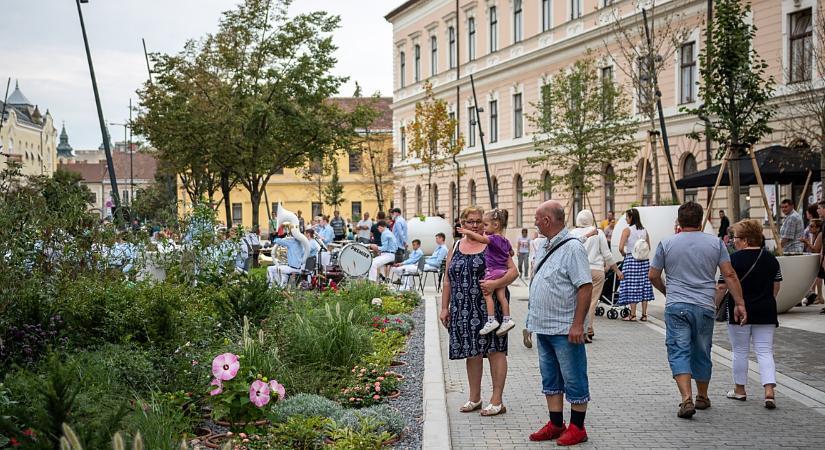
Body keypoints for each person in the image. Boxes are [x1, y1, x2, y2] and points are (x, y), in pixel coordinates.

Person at [649, 201, 746, 419]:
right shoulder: (715, 243)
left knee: (679, 350)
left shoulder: (667, 243)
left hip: (676, 306)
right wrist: (740, 303)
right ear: (700, 220)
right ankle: (703, 396)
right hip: (704, 306)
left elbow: (653, 275)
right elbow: (729, 275)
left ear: (679, 221)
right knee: (702, 350)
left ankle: (686, 399)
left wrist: (667, 291)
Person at [440, 205, 519, 417]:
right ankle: (475, 397)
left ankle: (497, 400)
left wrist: (496, 284)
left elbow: (514, 272)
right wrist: (443, 307)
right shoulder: (456, 246)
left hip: (490, 305)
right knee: (472, 351)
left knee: (495, 349)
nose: (474, 225)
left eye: (478, 221)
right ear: (462, 223)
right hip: (462, 306)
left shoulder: (491, 242)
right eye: (470, 222)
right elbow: (447, 279)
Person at [527, 200, 593, 446]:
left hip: (565, 328)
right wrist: (530, 321)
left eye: (536, 218)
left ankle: (578, 427)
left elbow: (584, 286)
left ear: (546, 220)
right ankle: (556, 424)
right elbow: (539, 281)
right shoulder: (544, 245)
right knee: (551, 379)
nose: (534, 222)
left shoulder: (573, 248)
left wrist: (578, 324)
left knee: (574, 377)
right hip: (543, 326)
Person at [715, 219, 781, 409]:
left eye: (735, 238)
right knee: (765, 351)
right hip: (766, 310)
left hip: (737, 311)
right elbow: (776, 286)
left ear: (744, 240)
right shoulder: (770, 259)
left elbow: (721, 286)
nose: (733, 242)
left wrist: (714, 306)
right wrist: (767, 301)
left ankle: (740, 390)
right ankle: (769, 391)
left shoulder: (732, 260)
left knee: (740, 351)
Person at [458, 209, 517, 336]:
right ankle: (507, 319)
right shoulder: (504, 240)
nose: (483, 228)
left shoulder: (493, 238)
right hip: (502, 270)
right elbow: (511, 253)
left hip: (493, 271)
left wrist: (468, 232)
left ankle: (491, 320)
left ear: (495, 225)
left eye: (485, 225)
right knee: (502, 297)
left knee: (487, 294)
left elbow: (482, 239)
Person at [569, 210, 623, 344]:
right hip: (596, 271)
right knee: (592, 302)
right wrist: (617, 271)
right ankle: (587, 328)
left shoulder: (572, 233)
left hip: (577, 271)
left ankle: (582, 327)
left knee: (577, 301)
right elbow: (607, 254)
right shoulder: (597, 232)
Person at [617, 208, 654, 321]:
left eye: (627, 217)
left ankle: (632, 314)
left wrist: (625, 254)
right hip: (644, 261)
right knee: (644, 286)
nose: (625, 219)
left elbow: (620, 248)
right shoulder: (644, 231)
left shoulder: (627, 230)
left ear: (631, 217)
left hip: (631, 260)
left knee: (633, 286)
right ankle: (644, 315)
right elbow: (649, 247)